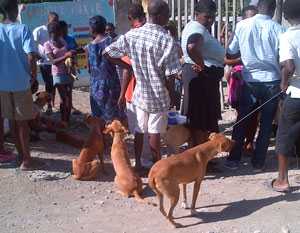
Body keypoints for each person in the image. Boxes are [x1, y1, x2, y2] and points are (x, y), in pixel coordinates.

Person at [104, 0, 181, 171]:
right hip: (158, 93)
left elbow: (108, 52)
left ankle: (138, 164)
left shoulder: (132, 35)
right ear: (160, 16)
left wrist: (128, 66)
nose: (169, 18)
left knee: (139, 129)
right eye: (168, 14)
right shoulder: (166, 40)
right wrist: (171, 96)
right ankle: (156, 167)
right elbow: (171, 75)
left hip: (140, 92)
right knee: (155, 132)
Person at [225, 0, 285, 171]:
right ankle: (258, 162)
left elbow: (231, 50)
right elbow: (283, 57)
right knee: (266, 124)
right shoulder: (279, 29)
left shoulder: (242, 25)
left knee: (242, 120)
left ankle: (233, 159)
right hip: (271, 80)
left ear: (257, 7)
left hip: (249, 79)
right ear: (273, 10)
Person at [181, 0, 225, 146]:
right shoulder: (197, 28)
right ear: (197, 14)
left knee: (201, 119)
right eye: (207, 17)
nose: (211, 20)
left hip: (201, 77)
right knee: (200, 120)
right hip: (201, 79)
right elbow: (192, 47)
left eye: (213, 16)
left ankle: (201, 156)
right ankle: (201, 158)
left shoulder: (196, 27)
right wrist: (201, 65)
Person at [0, 0, 37, 170]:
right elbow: (31, 55)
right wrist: (34, 77)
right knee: (22, 123)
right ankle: (26, 160)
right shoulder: (22, 29)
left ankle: (20, 156)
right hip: (21, 82)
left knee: (12, 121)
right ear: (15, 10)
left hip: (2, 84)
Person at [271, 0, 300, 192]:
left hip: (297, 93)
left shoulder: (288, 36)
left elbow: (288, 66)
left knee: (284, 135)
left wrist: (283, 83)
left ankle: (282, 180)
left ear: (288, 17)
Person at [224, 5, 259, 155]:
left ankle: (249, 142)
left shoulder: (261, 32)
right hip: (239, 79)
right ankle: (237, 146)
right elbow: (227, 57)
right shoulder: (238, 33)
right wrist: (242, 61)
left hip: (257, 78)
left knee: (255, 114)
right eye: (248, 17)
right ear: (243, 18)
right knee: (243, 113)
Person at [86, 16, 125, 124]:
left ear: (92, 29)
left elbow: (89, 68)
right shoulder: (111, 42)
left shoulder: (89, 46)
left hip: (95, 86)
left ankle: (101, 139)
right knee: (113, 119)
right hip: (110, 85)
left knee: (98, 118)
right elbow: (119, 61)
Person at [44, 21, 75, 127]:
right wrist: (66, 55)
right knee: (64, 98)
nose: (59, 34)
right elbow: (53, 61)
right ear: (51, 32)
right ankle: (63, 120)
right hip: (58, 75)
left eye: (59, 31)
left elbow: (68, 54)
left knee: (69, 97)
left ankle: (68, 120)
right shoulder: (47, 45)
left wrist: (71, 59)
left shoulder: (62, 40)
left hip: (68, 72)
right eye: (57, 32)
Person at [33, 12, 59, 114]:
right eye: (53, 20)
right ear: (48, 20)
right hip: (45, 63)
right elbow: (33, 45)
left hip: (56, 62)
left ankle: (51, 104)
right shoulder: (39, 30)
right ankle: (48, 106)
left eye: (57, 20)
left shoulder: (57, 30)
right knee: (49, 84)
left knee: (55, 84)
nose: (55, 22)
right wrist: (37, 55)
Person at [59, 20, 81, 115]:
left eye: (66, 29)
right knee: (62, 91)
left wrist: (74, 53)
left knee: (69, 88)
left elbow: (76, 49)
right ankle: (63, 108)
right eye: (63, 30)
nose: (65, 31)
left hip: (71, 67)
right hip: (60, 69)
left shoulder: (71, 38)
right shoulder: (57, 41)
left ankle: (70, 106)